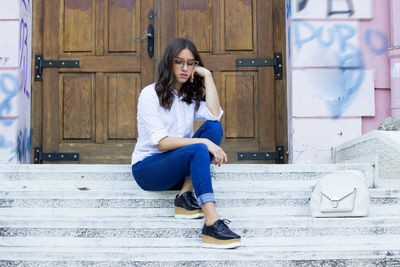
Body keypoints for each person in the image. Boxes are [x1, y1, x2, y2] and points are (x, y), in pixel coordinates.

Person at [131, 38, 241, 249]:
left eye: (190, 63)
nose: (184, 68)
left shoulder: (188, 96)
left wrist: (207, 76)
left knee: (213, 128)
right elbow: (162, 143)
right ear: (168, 64)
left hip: (178, 168)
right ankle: (211, 222)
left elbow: (215, 114)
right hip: (148, 170)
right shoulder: (150, 94)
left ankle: (185, 194)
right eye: (179, 62)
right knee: (200, 146)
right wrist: (203, 142)